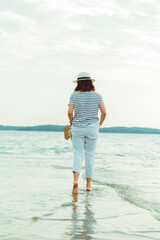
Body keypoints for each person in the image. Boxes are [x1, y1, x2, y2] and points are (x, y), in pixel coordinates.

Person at [68, 72, 106, 194]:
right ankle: (88, 185)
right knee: (90, 155)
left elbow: (69, 112)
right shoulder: (97, 95)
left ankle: (75, 181)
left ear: (78, 83)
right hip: (92, 128)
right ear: (91, 82)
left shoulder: (74, 95)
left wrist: (71, 122)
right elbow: (104, 112)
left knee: (77, 154)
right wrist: (99, 124)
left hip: (77, 127)